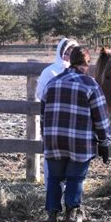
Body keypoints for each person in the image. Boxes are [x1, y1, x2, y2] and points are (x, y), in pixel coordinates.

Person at [40, 46, 111, 222]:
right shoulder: (91, 85)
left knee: (54, 178)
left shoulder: (52, 83)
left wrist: (46, 138)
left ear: (71, 61)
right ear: (86, 64)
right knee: (75, 178)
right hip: (79, 142)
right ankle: (71, 213)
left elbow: (43, 115)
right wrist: (104, 141)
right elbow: (101, 118)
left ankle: (51, 214)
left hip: (53, 140)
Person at [36, 37, 79, 190]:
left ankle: (70, 193)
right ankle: (52, 192)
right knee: (53, 157)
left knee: (73, 157)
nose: (68, 55)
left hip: (74, 122)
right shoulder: (50, 71)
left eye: (72, 52)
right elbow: (40, 93)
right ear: (60, 52)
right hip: (54, 121)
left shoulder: (81, 73)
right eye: (66, 52)